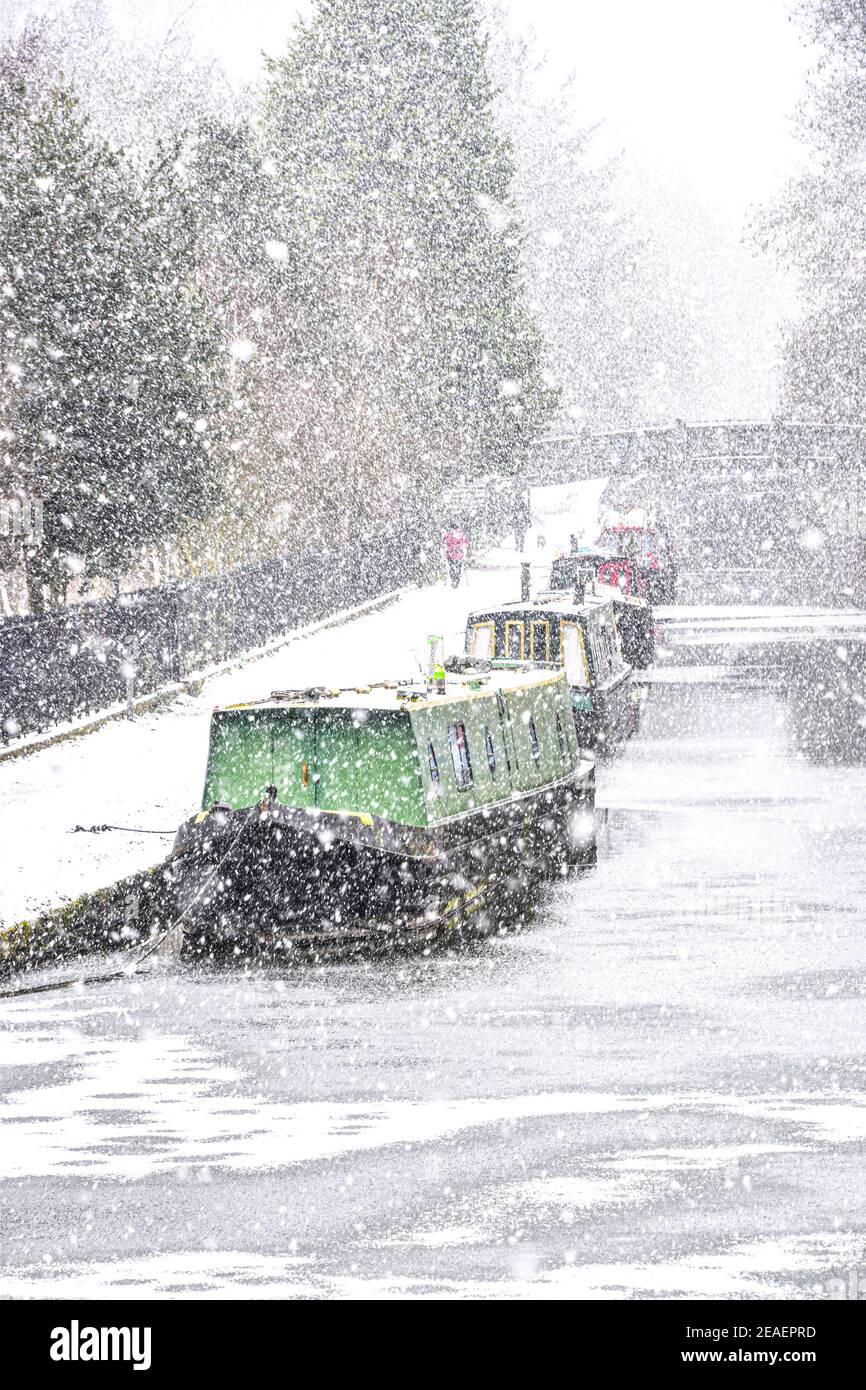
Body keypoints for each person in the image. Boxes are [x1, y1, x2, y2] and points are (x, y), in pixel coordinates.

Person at [442, 522, 469, 588]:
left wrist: (447, 548)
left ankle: (454, 580)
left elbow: (444, 543)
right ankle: (456, 580)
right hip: (458, 555)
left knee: (452, 568)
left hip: (451, 555)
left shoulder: (448, 535)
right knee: (457, 568)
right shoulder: (461, 535)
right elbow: (466, 543)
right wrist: (461, 547)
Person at [512, 489, 531, 553]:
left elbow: (527, 515)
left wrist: (528, 521)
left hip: (522, 523)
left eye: (520, 499)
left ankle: (521, 548)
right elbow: (513, 515)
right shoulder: (515, 506)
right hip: (517, 523)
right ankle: (517, 546)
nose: (519, 500)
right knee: (517, 535)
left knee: (522, 536)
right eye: (518, 499)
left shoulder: (523, 506)